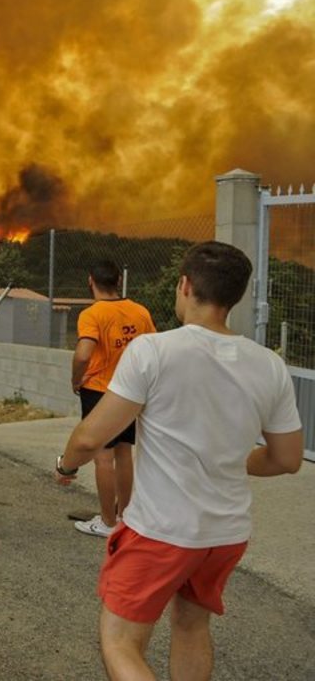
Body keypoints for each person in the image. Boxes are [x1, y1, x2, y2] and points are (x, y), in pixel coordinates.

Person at [55, 241, 303, 681]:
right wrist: (231, 461)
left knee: (120, 642)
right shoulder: (269, 365)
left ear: (185, 285)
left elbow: (92, 435)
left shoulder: (155, 351)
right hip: (225, 532)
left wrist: (66, 465)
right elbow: (287, 458)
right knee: (191, 625)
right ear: (236, 295)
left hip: (161, 531)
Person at [70, 260, 156, 537]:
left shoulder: (92, 314)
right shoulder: (139, 311)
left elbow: (84, 353)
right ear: (119, 280)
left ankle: (107, 523)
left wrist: (76, 379)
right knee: (124, 453)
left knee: (102, 457)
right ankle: (123, 517)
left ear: (90, 281)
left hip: (98, 389)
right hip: (130, 391)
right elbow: (152, 347)